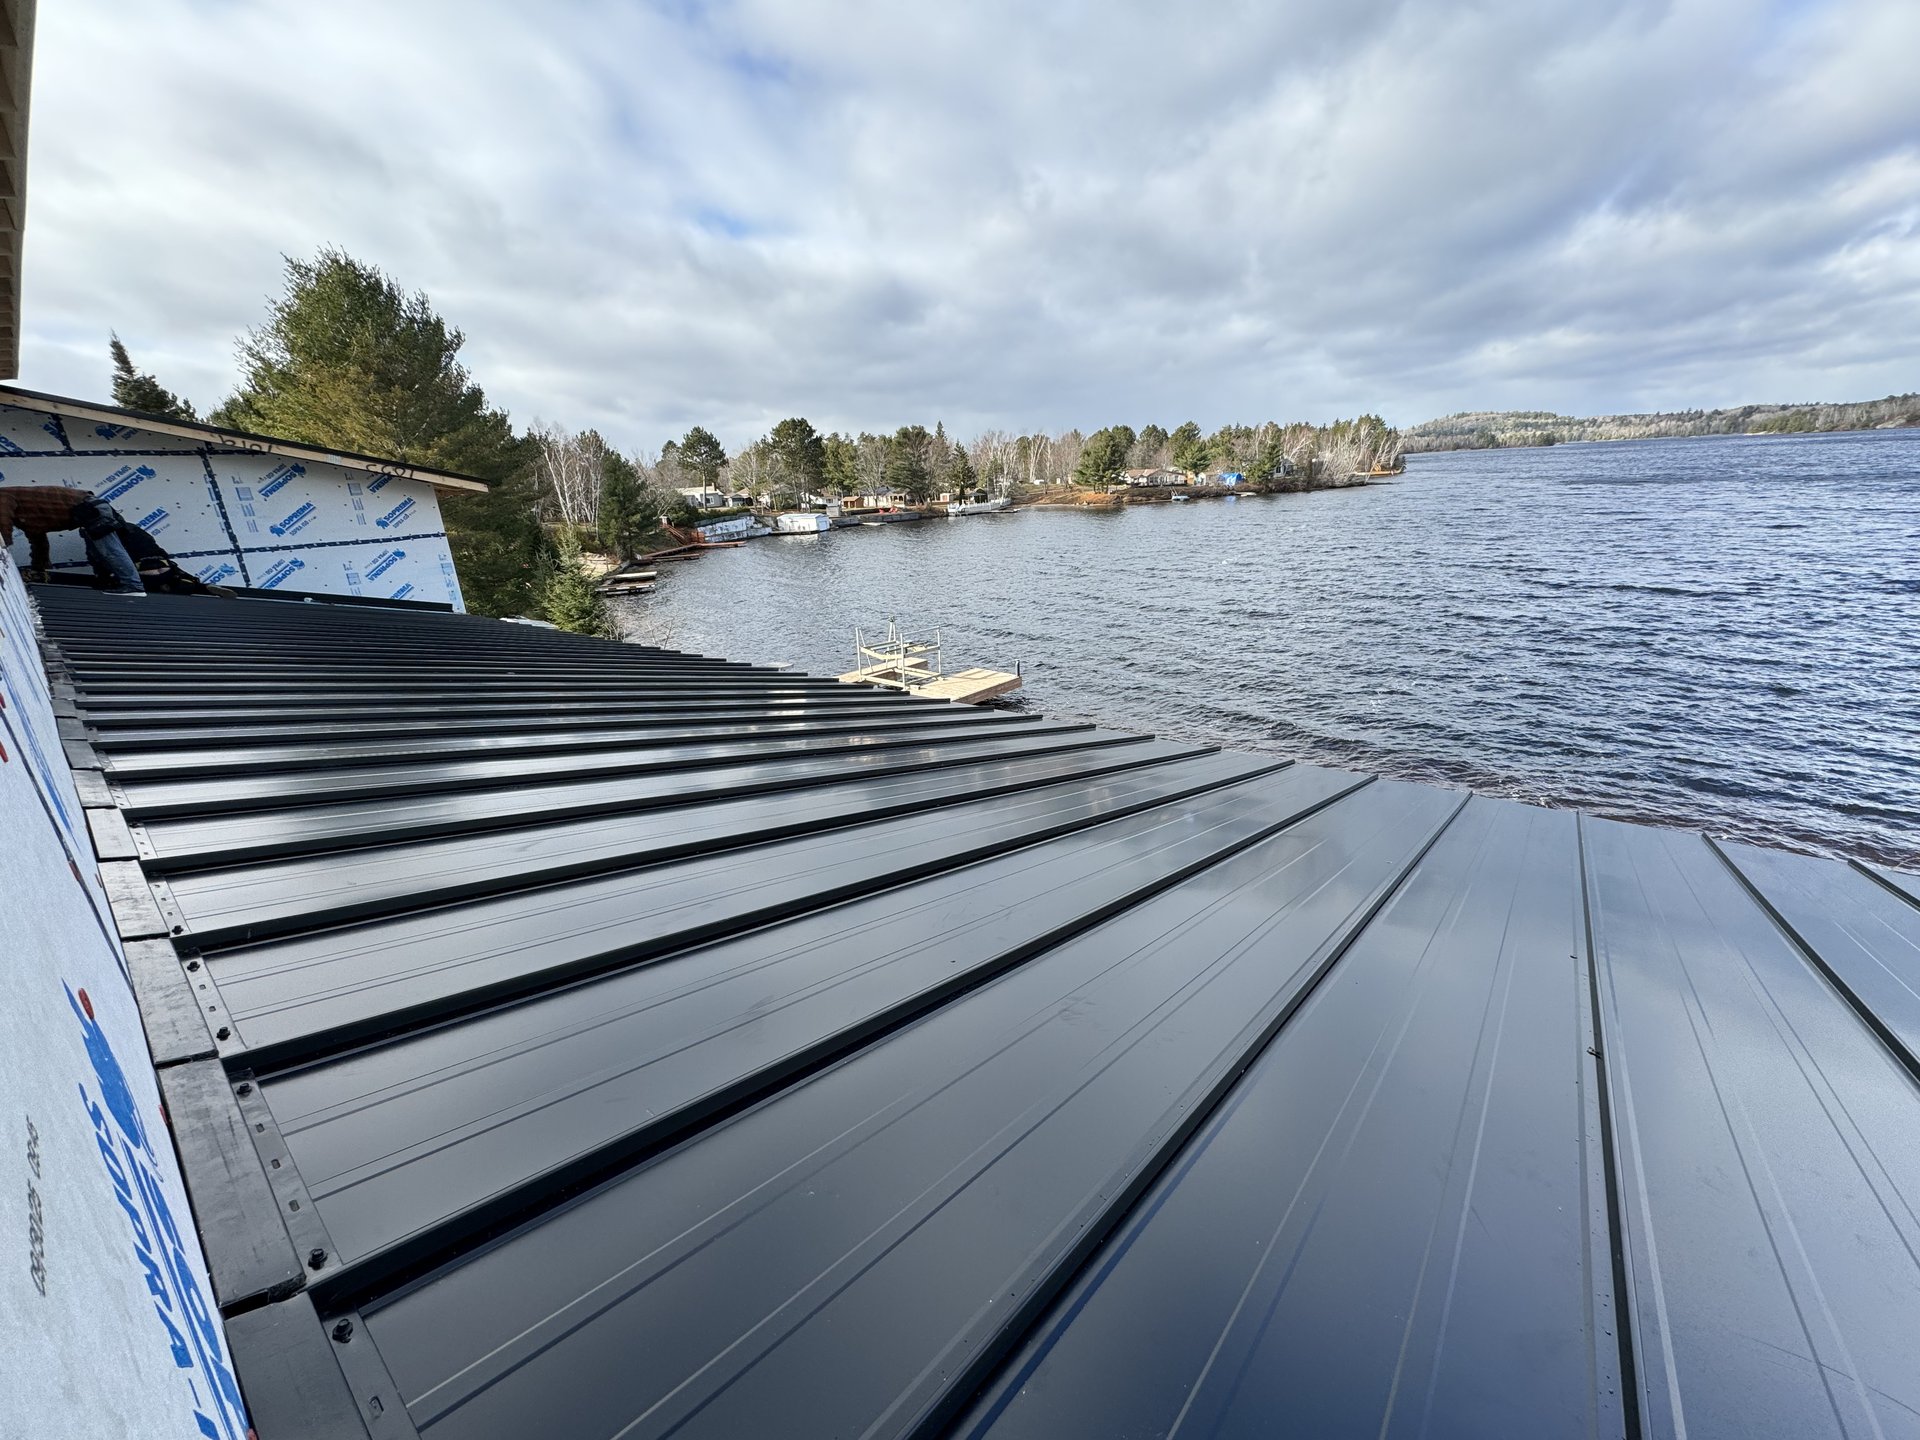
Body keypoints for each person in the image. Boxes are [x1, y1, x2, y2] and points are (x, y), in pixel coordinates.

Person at [0, 486, 147, 595]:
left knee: (110, 550)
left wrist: (3, 547)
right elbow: (38, 542)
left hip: (89, 508)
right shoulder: (27, 515)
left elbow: (3, 524)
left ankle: (133, 586)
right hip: (89, 509)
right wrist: (38, 569)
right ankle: (116, 583)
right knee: (98, 552)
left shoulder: (2, 496)